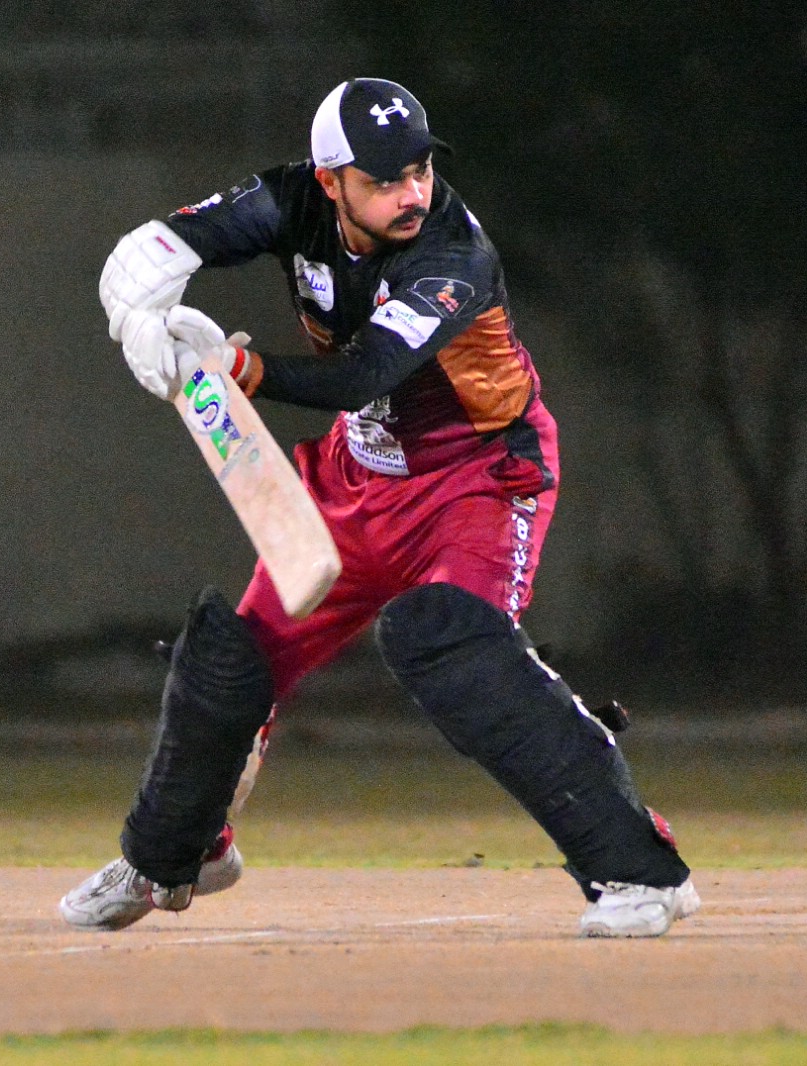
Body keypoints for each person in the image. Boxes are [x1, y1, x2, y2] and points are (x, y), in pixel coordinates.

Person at [59, 78, 699, 938]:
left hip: (476, 476)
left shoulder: (451, 255)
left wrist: (234, 370)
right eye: (385, 179)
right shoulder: (289, 198)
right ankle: (175, 857)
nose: (412, 194)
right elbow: (144, 256)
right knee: (229, 663)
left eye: (420, 171)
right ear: (330, 180)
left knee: (453, 647)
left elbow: (362, 375)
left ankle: (639, 872)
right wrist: (139, 322)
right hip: (355, 475)